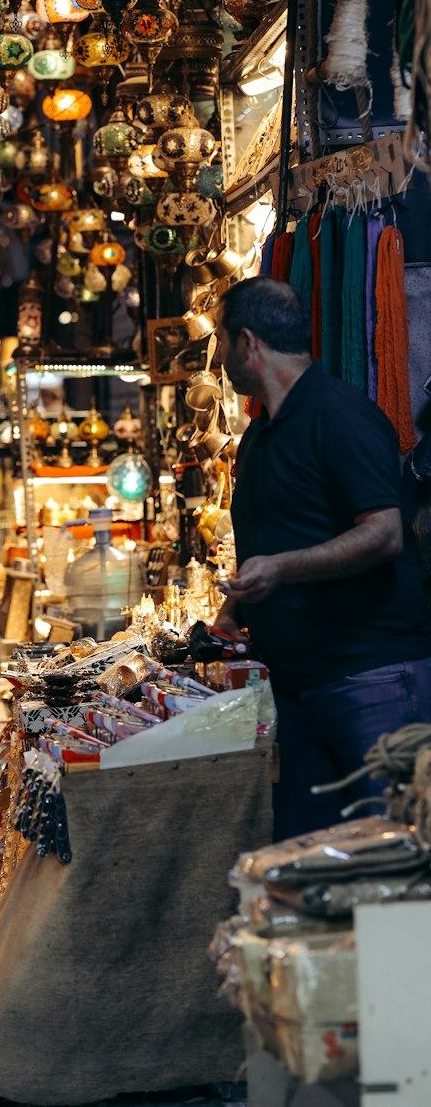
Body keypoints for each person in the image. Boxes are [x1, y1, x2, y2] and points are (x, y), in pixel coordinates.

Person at [213, 276, 431, 839]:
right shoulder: (261, 436)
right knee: (313, 858)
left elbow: (384, 533)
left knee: (393, 853)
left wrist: (280, 569)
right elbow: (276, 540)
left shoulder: (338, 415)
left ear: (247, 343)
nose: (217, 356)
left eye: (219, 340)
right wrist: (233, 616)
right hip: (299, 687)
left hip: (370, 677)